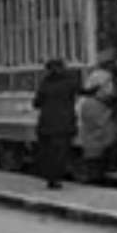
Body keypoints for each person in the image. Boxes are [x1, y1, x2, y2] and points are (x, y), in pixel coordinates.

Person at [32, 58, 80, 189]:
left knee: (48, 152)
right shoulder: (70, 82)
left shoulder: (45, 83)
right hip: (64, 123)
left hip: (46, 124)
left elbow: (36, 103)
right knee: (61, 152)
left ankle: (50, 179)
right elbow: (82, 92)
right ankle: (56, 178)